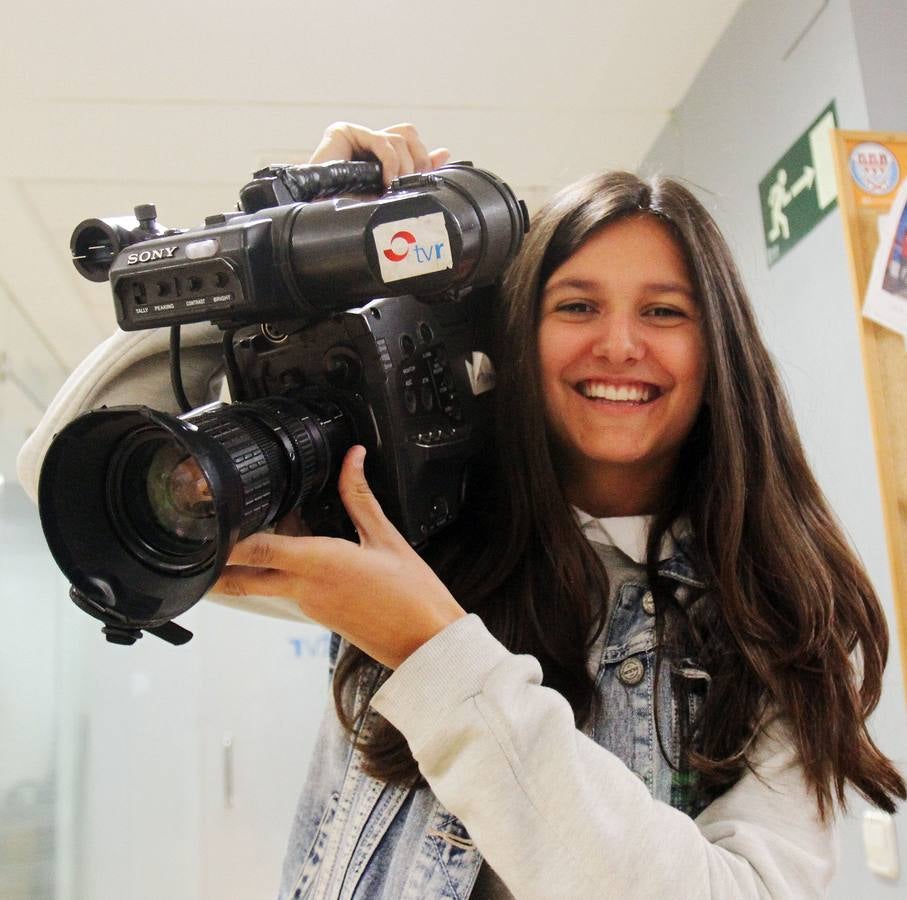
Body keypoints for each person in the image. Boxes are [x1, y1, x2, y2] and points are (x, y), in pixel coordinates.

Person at [18, 123, 906, 899]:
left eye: (663, 311)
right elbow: (65, 467)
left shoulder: (783, 616)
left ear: (720, 351)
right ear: (518, 335)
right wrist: (295, 259)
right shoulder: (412, 523)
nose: (619, 344)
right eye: (576, 305)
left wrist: (431, 653)